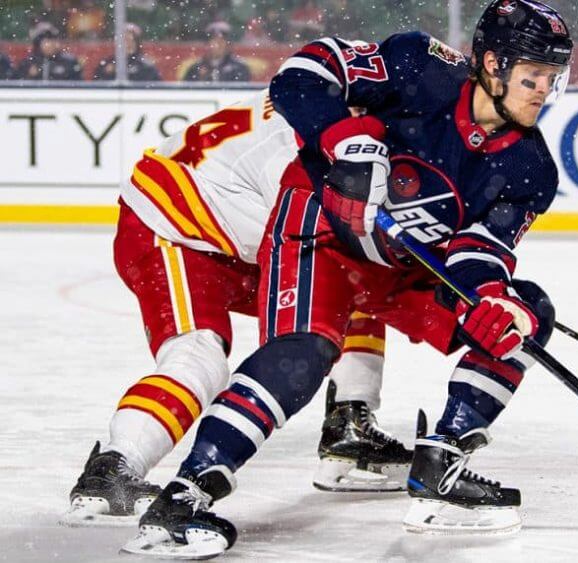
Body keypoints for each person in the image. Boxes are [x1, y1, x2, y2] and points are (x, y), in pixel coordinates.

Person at [123, 0, 573, 556]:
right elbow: (302, 74)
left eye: (552, 78)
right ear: (490, 63)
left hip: (403, 264)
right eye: (533, 76)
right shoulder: (419, 65)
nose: (542, 91)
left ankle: (443, 462)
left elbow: (481, 250)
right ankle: (183, 499)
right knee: (304, 354)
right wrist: (341, 134)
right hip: (320, 231)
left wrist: (488, 299)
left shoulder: (531, 168)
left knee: (526, 313)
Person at [61, 90, 413, 528]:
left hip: (233, 228)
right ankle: (112, 469)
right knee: (198, 357)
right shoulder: (303, 151)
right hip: (174, 229)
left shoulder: (324, 109)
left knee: (352, 279)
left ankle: (349, 428)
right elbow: (306, 235)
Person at [92, 23, 162, 82]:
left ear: (136, 42)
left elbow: (154, 88)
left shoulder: (145, 66)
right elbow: (96, 86)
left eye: (129, 39)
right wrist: (107, 73)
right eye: (122, 39)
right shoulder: (107, 63)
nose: (126, 44)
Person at [183, 22, 251, 82]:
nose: (218, 46)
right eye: (215, 42)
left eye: (221, 42)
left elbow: (241, 92)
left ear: (228, 45)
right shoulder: (196, 68)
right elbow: (187, 91)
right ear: (208, 45)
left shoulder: (239, 68)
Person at [15, 22, 83, 81]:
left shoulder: (69, 62)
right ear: (38, 44)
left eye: (53, 39)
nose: (51, 44)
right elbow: (17, 86)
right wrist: (29, 76)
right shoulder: (28, 62)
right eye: (47, 40)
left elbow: (77, 86)